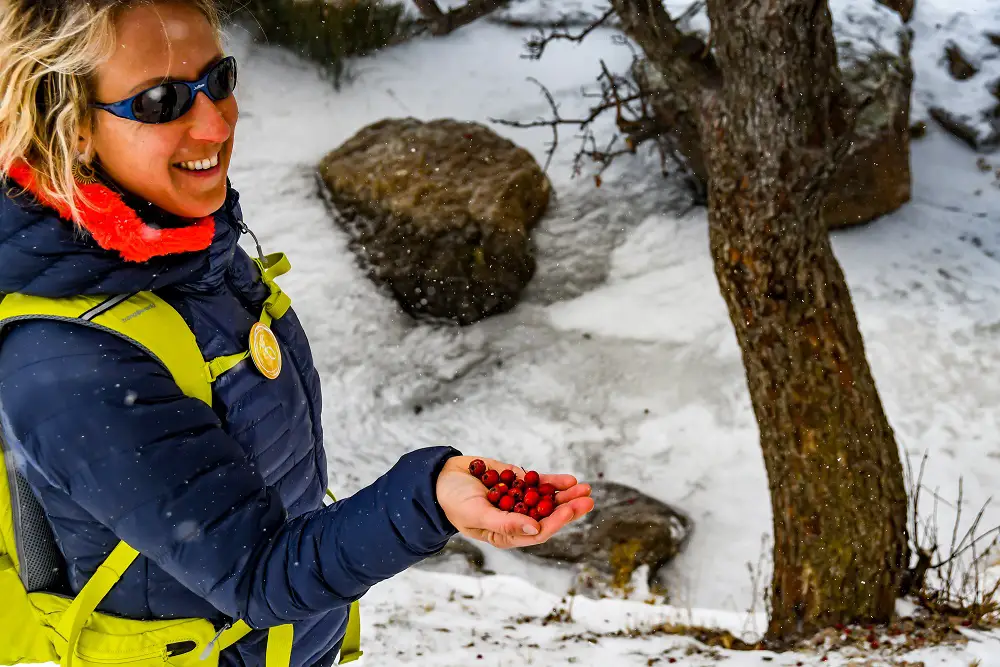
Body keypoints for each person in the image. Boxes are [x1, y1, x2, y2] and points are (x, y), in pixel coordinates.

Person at [0, 1, 595, 666]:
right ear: (74, 126)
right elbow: (256, 572)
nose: (215, 120)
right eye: (162, 100)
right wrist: (427, 499)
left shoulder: (182, 252)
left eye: (218, 80)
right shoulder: (68, 360)